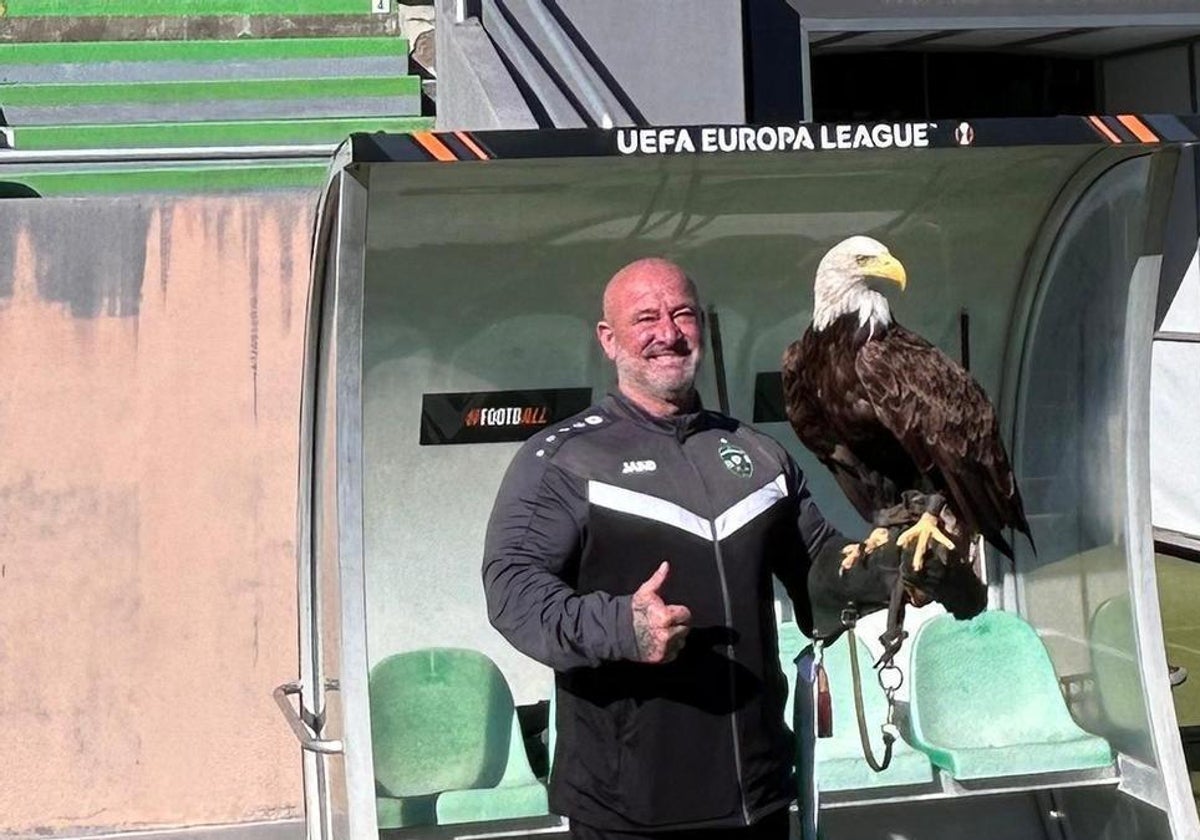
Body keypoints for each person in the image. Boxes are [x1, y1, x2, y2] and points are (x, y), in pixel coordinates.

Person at [481, 257, 918, 840]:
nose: (668, 332)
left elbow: (817, 572)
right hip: (631, 809)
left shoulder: (758, 454)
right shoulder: (562, 459)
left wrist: (895, 570)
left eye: (682, 313)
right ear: (609, 341)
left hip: (757, 798)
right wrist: (621, 626)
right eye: (646, 319)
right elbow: (513, 592)